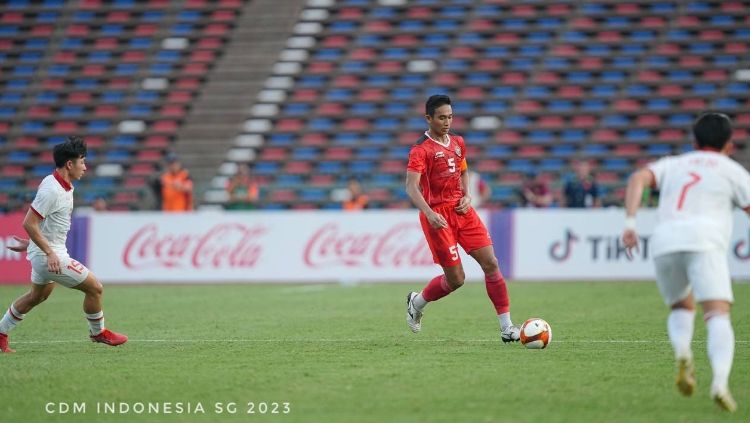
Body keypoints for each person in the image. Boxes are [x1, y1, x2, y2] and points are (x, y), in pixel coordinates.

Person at [622, 112, 750, 412]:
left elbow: (637, 177)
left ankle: (683, 353)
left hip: (665, 241)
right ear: (729, 145)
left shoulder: (674, 163)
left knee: (682, 306)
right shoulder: (733, 171)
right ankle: (719, 381)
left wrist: (630, 222)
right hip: (705, 240)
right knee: (717, 314)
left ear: (694, 141)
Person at [404, 94, 519, 343]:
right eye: (442, 117)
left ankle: (507, 327)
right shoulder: (420, 150)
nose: (447, 122)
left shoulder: (457, 142)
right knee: (456, 280)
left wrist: (468, 195)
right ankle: (417, 302)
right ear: (429, 118)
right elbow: (411, 188)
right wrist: (429, 213)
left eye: (450, 117)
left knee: (491, 263)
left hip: (462, 210)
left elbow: (464, 171)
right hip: (438, 217)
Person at [0, 136, 127, 353]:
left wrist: (31, 244)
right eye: (82, 161)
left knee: (36, 296)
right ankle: (98, 332)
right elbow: (28, 222)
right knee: (95, 288)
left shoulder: (63, 185)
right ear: (70, 164)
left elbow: (45, 224)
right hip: (51, 256)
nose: (85, 167)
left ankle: (1, 333)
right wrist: (48, 253)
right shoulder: (52, 190)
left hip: (47, 251)